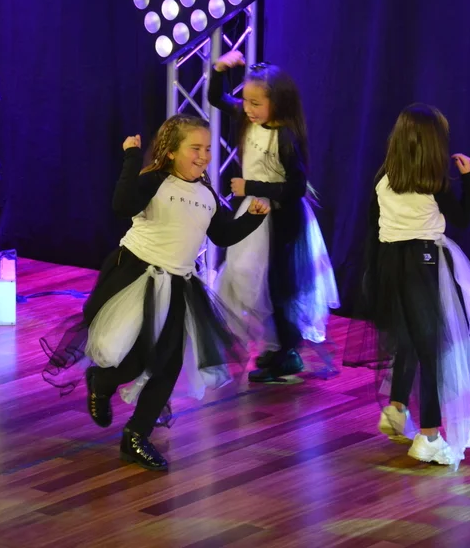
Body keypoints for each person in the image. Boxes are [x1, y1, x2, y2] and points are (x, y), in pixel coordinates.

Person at [41, 115, 270, 471]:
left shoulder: (207, 194)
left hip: (178, 285)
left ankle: (136, 436)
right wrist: (131, 158)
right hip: (135, 277)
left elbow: (222, 235)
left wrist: (253, 217)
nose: (204, 156)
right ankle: (102, 380)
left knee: (168, 363)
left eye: (208, 149)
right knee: (134, 358)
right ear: (172, 151)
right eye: (195, 148)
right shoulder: (154, 181)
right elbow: (122, 205)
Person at [344, 104, 470, 470]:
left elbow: (373, 226)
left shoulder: (383, 178)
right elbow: (462, 219)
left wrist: (373, 274)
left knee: (408, 340)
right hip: (423, 265)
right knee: (432, 353)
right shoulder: (433, 183)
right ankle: (428, 436)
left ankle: (397, 408)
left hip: (390, 265)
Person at [209, 51, 340, 383]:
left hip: (282, 217)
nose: (248, 109)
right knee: (249, 277)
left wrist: (251, 186)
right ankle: (274, 344)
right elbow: (216, 98)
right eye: (246, 101)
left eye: (256, 103)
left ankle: (286, 353)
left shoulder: (285, 137)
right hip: (256, 212)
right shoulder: (247, 119)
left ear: (277, 103)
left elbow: (296, 186)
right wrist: (219, 69)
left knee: (280, 288)